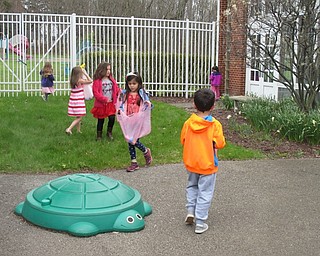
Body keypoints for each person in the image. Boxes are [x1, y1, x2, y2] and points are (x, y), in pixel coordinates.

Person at [180, 88, 226, 234]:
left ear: (194, 104)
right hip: (207, 164)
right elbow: (220, 144)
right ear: (213, 106)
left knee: (192, 186)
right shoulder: (215, 125)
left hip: (191, 161)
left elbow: (183, 140)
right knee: (205, 192)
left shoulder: (188, 123)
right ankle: (200, 222)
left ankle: (190, 210)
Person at [118, 72, 153, 172]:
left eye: (134, 83)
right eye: (130, 84)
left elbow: (148, 104)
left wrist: (148, 104)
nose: (132, 86)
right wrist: (120, 111)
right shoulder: (125, 93)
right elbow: (121, 104)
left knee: (133, 140)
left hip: (138, 120)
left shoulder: (142, 93)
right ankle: (134, 162)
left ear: (139, 83)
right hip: (128, 120)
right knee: (130, 140)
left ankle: (145, 152)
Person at [90, 62, 120, 141]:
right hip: (101, 104)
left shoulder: (111, 80)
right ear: (101, 70)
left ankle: (109, 132)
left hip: (111, 104)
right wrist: (104, 99)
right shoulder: (97, 81)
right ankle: (99, 135)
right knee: (101, 120)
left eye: (109, 69)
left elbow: (116, 89)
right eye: (106, 69)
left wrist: (120, 93)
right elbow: (96, 93)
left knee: (112, 118)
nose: (108, 71)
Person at [65, 66, 93, 135]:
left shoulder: (72, 80)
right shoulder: (80, 80)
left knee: (78, 115)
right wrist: (85, 73)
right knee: (79, 117)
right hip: (79, 101)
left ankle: (78, 130)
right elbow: (90, 81)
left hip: (73, 100)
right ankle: (69, 128)